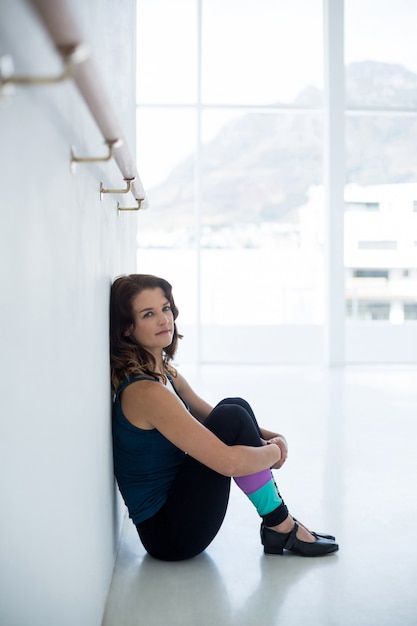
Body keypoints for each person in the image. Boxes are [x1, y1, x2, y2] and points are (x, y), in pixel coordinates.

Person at [110, 273, 338, 562]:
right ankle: (282, 525)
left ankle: (280, 524)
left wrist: (267, 437)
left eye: (165, 308)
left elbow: (210, 416)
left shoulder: (165, 373)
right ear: (128, 328)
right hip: (170, 535)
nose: (164, 320)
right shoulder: (145, 392)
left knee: (233, 406)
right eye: (148, 314)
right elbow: (227, 462)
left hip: (181, 507)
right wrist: (272, 452)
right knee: (231, 414)